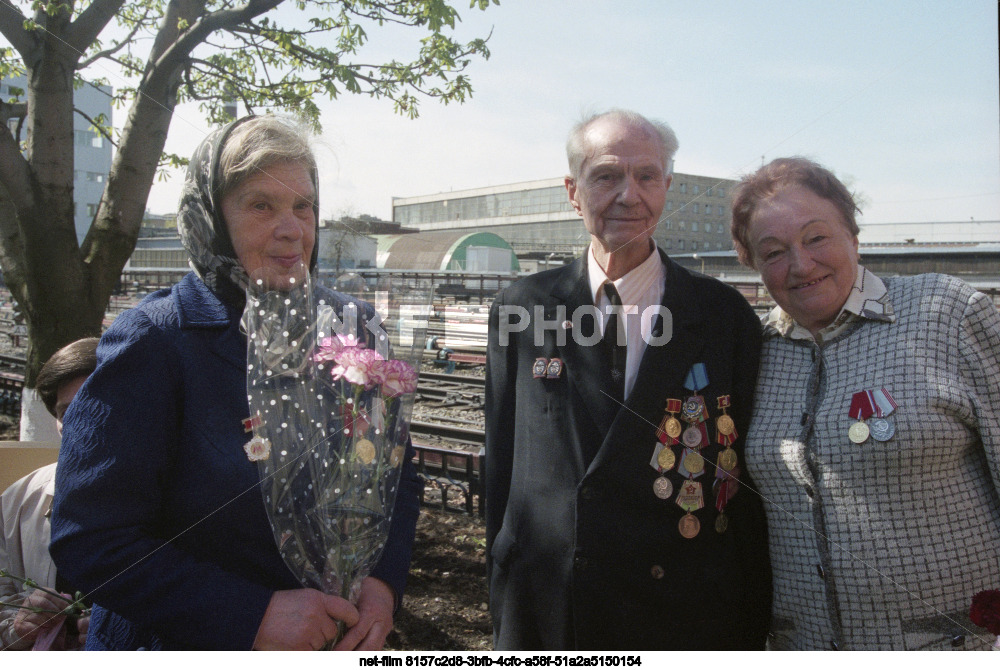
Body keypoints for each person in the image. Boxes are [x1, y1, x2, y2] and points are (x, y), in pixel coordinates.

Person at [49, 116, 423, 650]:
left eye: (303, 205)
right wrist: (251, 615)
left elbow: (397, 472)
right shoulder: (155, 342)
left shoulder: (352, 327)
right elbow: (89, 537)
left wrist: (381, 587)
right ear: (211, 219)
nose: (292, 228)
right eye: (261, 206)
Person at [484, 109, 771, 650]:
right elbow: (501, 464)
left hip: (678, 614)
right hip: (550, 611)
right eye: (606, 176)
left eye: (646, 176)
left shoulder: (723, 315)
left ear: (667, 186)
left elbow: (747, 485)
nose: (628, 195)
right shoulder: (522, 308)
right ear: (574, 191)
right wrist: (501, 594)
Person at [730, 156, 1000, 650]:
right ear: (751, 263)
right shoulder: (754, 352)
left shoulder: (950, 314)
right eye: (773, 251)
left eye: (816, 238)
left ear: (854, 236)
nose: (801, 265)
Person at [0, 337, 98, 650]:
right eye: (67, 411)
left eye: (96, 404)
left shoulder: (184, 499)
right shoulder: (18, 501)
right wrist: (19, 627)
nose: (82, 421)